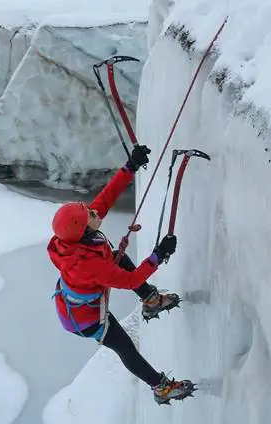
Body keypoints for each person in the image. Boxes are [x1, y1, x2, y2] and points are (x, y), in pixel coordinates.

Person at [47, 144, 195, 405]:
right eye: (90, 214)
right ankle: (161, 387)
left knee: (119, 256)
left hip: (78, 302)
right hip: (86, 320)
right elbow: (130, 281)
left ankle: (151, 301)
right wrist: (157, 257)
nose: (95, 211)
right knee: (124, 347)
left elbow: (104, 200)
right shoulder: (87, 264)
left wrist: (130, 167)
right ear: (82, 229)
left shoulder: (78, 235)